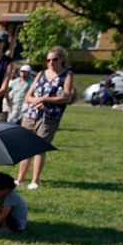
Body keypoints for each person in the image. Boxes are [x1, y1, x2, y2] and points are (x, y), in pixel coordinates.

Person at [17, 46, 74, 190]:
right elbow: (28, 96)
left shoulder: (67, 74)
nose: (51, 62)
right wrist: (36, 101)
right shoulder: (41, 74)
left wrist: (45, 99)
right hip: (30, 115)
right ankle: (20, 179)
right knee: (26, 147)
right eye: (48, 60)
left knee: (39, 147)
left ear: (62, 59)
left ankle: (35, 180)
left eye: (54, 59)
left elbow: (66, 97)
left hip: (50, 117)